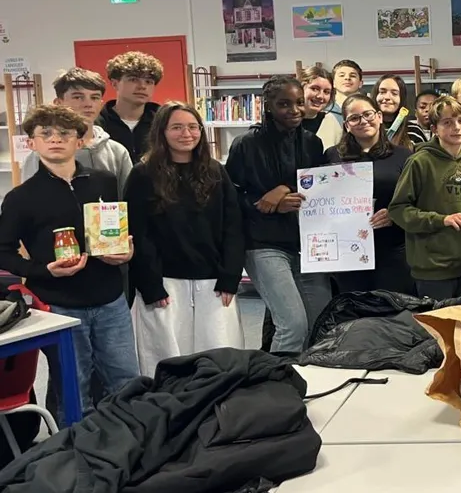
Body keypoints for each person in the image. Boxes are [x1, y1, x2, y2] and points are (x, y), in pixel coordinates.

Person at [0, 105, 137, 423]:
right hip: (60, 305)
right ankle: (74, 455)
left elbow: (121, 231)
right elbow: (3, 251)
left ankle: (134, 442)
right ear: (31, 143)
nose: (55, 139)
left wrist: (127, 251)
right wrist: (41, 269)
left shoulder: (105, 182)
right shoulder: (21, 198)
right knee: (73, 388)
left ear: (80, 140)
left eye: (64, 133)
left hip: (110, 298)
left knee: (127, 379)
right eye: (45, 133)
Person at [125, 102, 245, 376]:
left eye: (193, 127)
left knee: (220, 356)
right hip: (165, 283)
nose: (186, 134)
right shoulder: (143, 175)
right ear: (162, 132)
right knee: (165, 359)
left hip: (214, 281)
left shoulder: (215, 171)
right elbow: (138, 234)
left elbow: (233, 227)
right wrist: (151, 285)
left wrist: (230, 276)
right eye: (177, 127)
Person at [226, 76, 330, 354]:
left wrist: (285, 188)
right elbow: (230, 196)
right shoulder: (245, 144)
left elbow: (318, 185)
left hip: (308, 245)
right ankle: (274, 385)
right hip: (264, 243)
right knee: (292, 325)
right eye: (284, 104)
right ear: (268, 106)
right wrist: (264, 202)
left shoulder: (312, 144)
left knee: (320, 323)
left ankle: (308, 379)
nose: (295, 110)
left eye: (298, 103)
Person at [388, 96, 461, 300]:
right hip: (433, 269)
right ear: (434, 128)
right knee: (437, 330)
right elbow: (398, 209)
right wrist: (441, 220)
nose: (456, 127)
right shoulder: (419, 162)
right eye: (447, 122)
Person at [325, 94, 414, 294]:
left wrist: (394, 214)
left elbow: (417, 199)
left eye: (368, 114)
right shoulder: (333, 156)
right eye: (354, 118)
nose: (363, 121)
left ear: (380, 116)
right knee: (352, 313)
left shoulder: (404, 156)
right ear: (347, 125)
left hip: (392, 249)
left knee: (392, 313)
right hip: (349, 251)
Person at [22, 68, 132, 196]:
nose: (88, 104)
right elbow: (29, 200)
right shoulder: (42, 153)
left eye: (94, 97)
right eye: (78, 97)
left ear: (101, 104)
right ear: (59, 103)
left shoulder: (117, 152)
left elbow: (128, 200)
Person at [96, 51, 163, 160]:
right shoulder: (97, 123)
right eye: (133, 79)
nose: (142, 86)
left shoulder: (163, 121)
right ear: (114, 83)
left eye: (148, 81)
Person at [299, 65, 341, 150]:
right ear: (300, 88)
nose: (320, 96)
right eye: (314, 89)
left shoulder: (331, 122)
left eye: (326, 92)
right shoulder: (286, 120)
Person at [372, 74, 413, 148]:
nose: (387, 97)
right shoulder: (366, 128)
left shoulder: (414, 129)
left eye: (394, 93)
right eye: (382, 92)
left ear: (402, 98)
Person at [326, 59, 363, 126]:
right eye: (342, 75)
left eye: (353, 76)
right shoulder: (324, 110)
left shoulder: (369, 110)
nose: (347, 78)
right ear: (333, 83)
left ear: (360, 83)